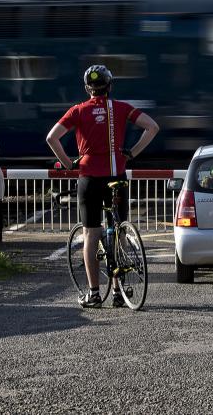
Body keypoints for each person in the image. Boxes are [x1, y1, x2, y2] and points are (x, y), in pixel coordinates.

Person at [46, 65, 159, 309]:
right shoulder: (122, 108)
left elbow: (51, 137)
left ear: (88, 89)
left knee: (91, 233)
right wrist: (132, 153)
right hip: (117, 176)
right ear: (110, 86)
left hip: (89, 178)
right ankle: (119, 292)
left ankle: (94, 293)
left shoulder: (77, 111)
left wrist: (67, 164)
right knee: (118, 230)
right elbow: (152, 127)